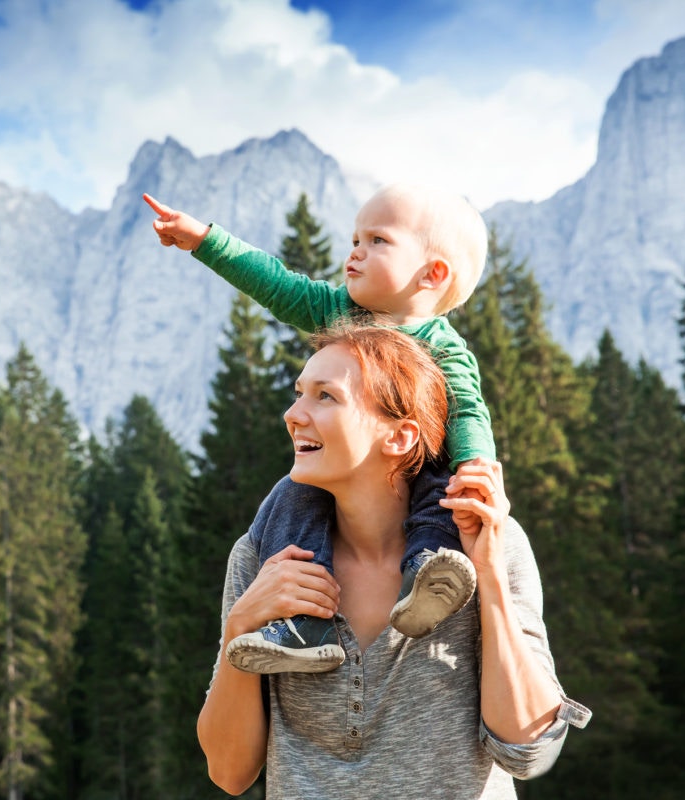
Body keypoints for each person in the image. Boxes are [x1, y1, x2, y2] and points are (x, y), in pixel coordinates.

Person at [197, 324, 590, 797]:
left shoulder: (487, 545)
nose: (293, 414)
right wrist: (240, 626)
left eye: (325, 397)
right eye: (299, 393)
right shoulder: (263, 558)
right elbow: (229, 771)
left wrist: (488, 579)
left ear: (401, 437)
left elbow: (527, 750)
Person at [144, 185, 494, 671]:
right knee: (293, 498)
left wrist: (476, 465)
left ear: (432, 274)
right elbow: (275, 284)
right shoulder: (339, 312)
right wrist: (205, 240)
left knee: (443, 491)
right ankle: (306, 622)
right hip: (339, 472)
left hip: (414, 467)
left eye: (378, 240)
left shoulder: (444, 348)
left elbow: (469, 414)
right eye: (355, 238)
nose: (356, 250)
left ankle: (427, 575)